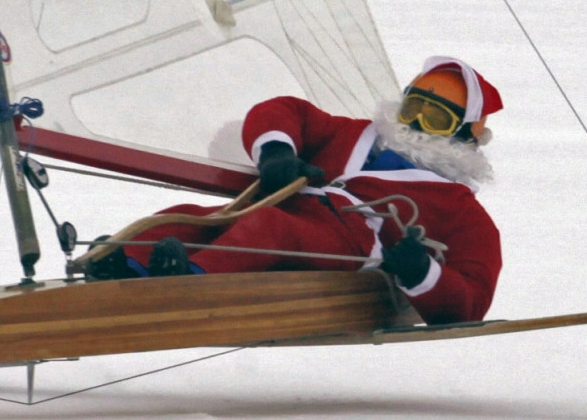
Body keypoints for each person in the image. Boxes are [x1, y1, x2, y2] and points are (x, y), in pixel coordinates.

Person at [88, 56, 504, 325]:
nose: (415, 127)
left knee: (269, 228)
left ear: (467, 134)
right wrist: (276, 152)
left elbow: (473, 300)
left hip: (347, 244)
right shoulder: (354, 135)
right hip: (285, 210)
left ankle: (193, 284)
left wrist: (421, 272)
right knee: (196, 217)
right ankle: (127, 262)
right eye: (413, 109)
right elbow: (285, 110)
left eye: (435, 120)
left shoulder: (460, 209)